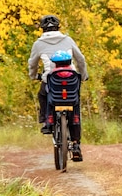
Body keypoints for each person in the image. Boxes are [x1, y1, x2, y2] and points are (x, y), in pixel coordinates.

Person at [28, 15, 88, 160]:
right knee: (75, 105)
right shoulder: (67, 40)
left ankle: (46, 121)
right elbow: (80, 59)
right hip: (71, 78)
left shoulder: (38, 44)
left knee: (42, 95)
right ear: (59, 27)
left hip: (50, 80)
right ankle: (75, 143)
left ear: (42, 29)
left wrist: (33, 76)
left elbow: (32, 63)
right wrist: (83, 75)